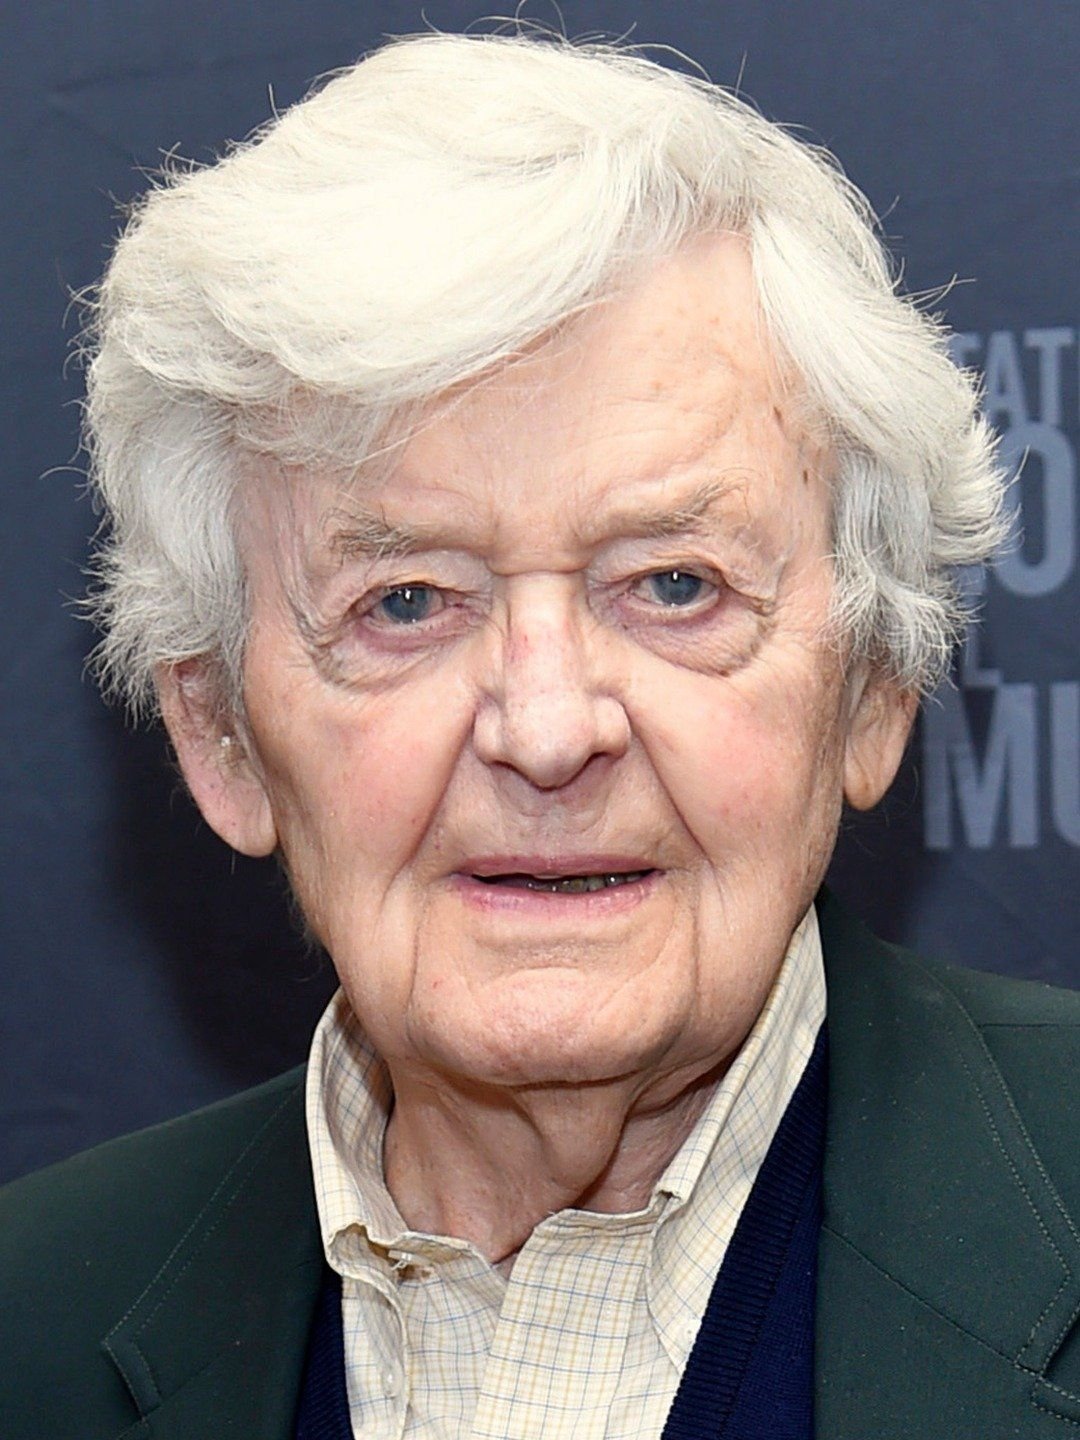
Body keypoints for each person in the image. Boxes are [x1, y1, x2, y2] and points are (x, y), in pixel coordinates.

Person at [2, 30, 1078, 1440]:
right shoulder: (28, 1325)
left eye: (675, 585)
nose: (550, 730)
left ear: (876, 686)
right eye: (405, 603)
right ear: (218, 734)